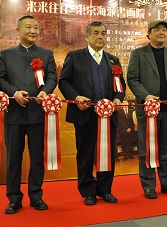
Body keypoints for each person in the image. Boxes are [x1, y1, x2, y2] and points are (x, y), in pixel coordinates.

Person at [0, 15, 57, 214]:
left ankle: (36, 196)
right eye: (28, 27)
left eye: (36, 28)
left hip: (38, 112)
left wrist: (45, 91)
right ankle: (14, 198)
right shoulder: (6, 54)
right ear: (18, 30)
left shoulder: (46, 54)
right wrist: (14, 93)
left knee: (37, 157)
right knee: (14, 157)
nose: (33, 31)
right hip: (14, 113)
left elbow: (53, 77)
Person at [59, 21, 125, 205]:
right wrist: (76, 97)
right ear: (87, 36)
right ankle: (88, 190)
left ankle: (105, 190)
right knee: (85, 153)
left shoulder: (113, 60)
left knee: (107, 153)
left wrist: (118, 98)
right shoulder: (74, 56)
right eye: (96, 33)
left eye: (103, 33)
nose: (100, 37)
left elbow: (120, 86)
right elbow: (64, 82)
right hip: (84, 113)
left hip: (108, 115)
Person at [127, 20, 167, 199]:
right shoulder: (138, 54)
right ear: (149, 33)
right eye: (157, 30)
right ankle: (149, 186)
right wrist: (146, 96)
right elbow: (132, 79)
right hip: (148, 110)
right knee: (147, 150)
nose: (162, 32)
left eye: (164, 30)